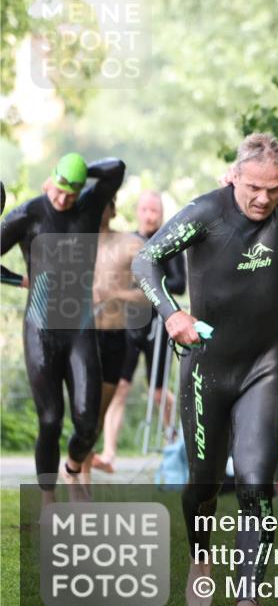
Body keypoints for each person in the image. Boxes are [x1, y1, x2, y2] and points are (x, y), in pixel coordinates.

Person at [132, 132, 278, 606]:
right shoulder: (207, 212)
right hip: (205, 369)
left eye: (274, 188)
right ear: (234, 176)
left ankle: (248, 604)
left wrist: (272, 156)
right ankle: (202, 558)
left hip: (262, 366)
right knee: (203, 486)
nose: (264, 199)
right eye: (254, 187)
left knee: (256, 484)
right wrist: (172, 314)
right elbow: (144, 261)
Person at [0, 152, 125, 503]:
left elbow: (117, 168)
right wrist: (14, 278)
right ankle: (47, 496)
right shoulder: (28, 214)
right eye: (58, 190)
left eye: (71, 192)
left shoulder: (88, 206)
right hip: (40, 329)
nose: (63, 199)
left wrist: (83, 170)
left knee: (87, 422)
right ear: (49, 179)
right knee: (51, 419)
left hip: (80, 327)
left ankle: (72, 470)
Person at [92, 190, 186, 473]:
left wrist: (149, 278)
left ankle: (175, 445)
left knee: (158, 393)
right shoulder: (126, 241)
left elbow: (180, 284)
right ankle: (108, 454)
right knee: (118, 388)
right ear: (137, 212)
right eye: (144, 210)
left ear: (160, 214)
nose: (149, 215)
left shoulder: (169, 241)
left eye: (154, 210)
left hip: (159, 325)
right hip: (128, 326)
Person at [81, 200, 147, 477]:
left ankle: (79, 464)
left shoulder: (132, 244)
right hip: (81, 338)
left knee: (97, 417)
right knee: (82, 411)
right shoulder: (71, 242)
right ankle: (80, 473)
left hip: (115, 337)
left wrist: (115, 294)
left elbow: (148, 296)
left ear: (112, 208)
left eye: (102, 203)